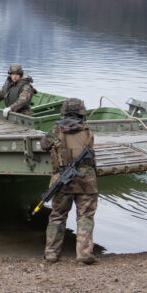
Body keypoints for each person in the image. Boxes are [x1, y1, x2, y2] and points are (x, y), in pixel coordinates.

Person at [39, 98, 98, 265]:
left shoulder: (55, 130)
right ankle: (84, 255)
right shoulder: (88, 131)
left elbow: (43, 145)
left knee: (57, 216)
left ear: (63, 111)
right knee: (85, 217)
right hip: (87, 181)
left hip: (62, 181)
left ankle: (51, 254)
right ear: (81, 112)